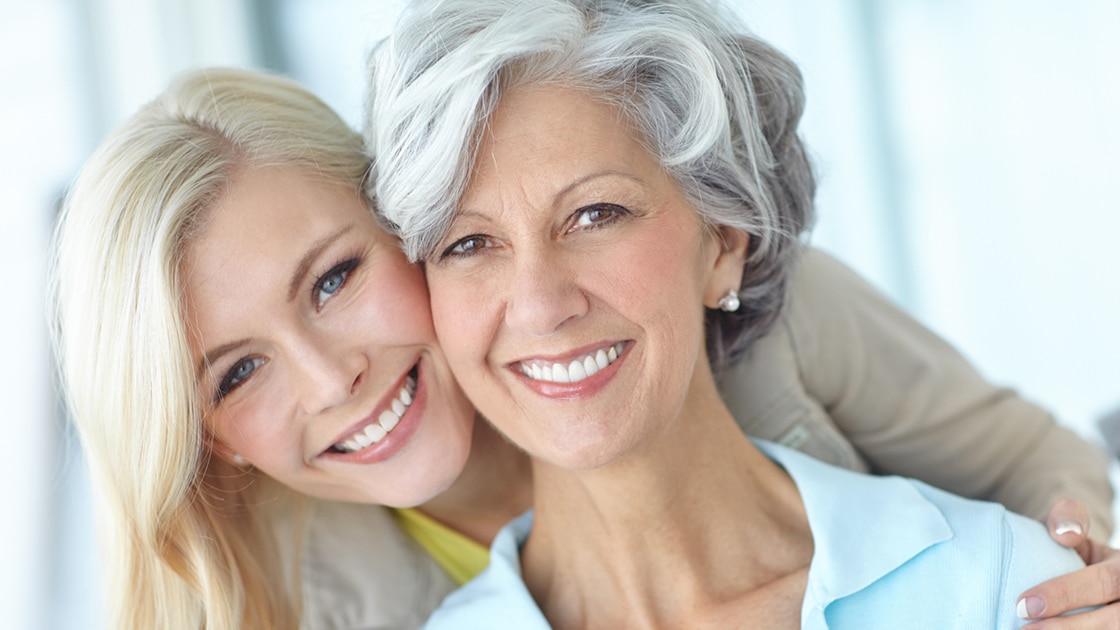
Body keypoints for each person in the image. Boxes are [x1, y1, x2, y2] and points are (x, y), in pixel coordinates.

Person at [46, 64, 1110, 630]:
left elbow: (1032, 464)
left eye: (334, 280)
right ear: (210, 442)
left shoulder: (726, 306)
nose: (332, 378)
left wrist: (1085, 568)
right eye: (237, 372)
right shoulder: (316, 601)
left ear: (409, 229)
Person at [362, 0, 1102, 626]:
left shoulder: (1004, 586)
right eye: (468, 243)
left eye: (596, 214)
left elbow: (1028, 457)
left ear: (722, 243)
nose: (538, 304)